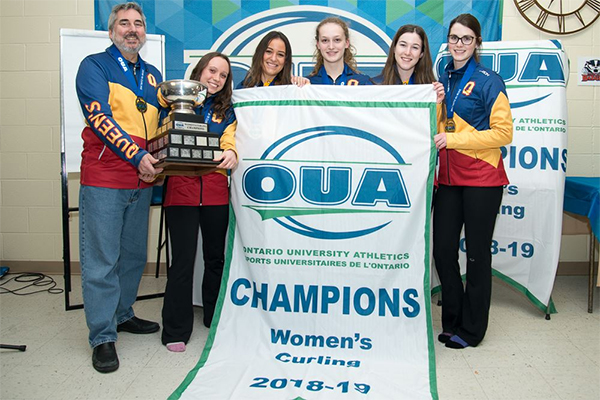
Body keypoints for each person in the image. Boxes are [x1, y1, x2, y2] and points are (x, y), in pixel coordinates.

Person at [75, 2, 163, 373]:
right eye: (124, 23)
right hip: (106, 179)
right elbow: (100, 118)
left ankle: (123, 313)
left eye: (138, 24)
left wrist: (159, 160)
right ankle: (102, 336)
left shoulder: (155, 75)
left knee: (130, 257)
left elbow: (160, 127)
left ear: (144, 33)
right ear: (111, 31)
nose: (132, 29)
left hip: (142, 181)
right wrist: (137, 156)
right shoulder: (94, 66)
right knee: (101, 261)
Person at [433, 13, 513, 349]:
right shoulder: (443, 77)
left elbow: (503, 133)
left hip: (482, 179)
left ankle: (473, 329)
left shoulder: (489, 79)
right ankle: (452, 320)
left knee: (478, 255)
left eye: (467, 38)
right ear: (447, 41)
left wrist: (455, 141)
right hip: (448, 180)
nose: (460, 44)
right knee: (443, 250)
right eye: (454, 38)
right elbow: (441, 123)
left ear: (477, 42)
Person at [160, 52, 238, 353]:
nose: (216, 79)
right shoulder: (174, 103)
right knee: (181, 261)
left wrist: (231, 152)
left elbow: (230, 141)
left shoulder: (227, 111)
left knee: (215, 260)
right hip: (181, 191)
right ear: (199, 71)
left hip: (216, 192)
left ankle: (213, 317)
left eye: (222, 75)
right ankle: (175, 329)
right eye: (212, 71)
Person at [373, 24, 444, 103]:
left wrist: (437, 104)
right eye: (403, 45)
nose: (407, 52)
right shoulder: (374, 86)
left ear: (421, 53)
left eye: (415, 47)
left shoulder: (431, 90)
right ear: (394, 48)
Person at [308, 16, 372, 85]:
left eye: (337, 40)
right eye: (325, 40)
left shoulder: (363, 82)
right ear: (318, 44)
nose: (331, 47)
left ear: (347, 43)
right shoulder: (308, 84)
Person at [237, 30, 309, 88]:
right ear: (260, 53)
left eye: (280, 54)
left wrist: (307, 88)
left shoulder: (293, 88)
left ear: (286, 60)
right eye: (269, 51)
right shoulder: (243, 88)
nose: (273, 59)